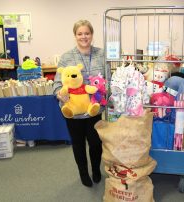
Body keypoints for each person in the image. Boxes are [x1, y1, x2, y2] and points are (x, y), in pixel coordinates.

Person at [53, 20, 105, 187]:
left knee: (96, 143)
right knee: (78, 144)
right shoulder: (67, 57)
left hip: (94, 109)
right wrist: (60, 95)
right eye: (80, 34)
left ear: (92, 34)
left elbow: (108, 79)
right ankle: (83, 173)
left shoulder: (102, 54)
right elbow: (57, 83)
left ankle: (96, 169)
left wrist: (105, 93)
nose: (84, 37)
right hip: (73, 112)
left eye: (87, 33)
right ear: (75, 36)